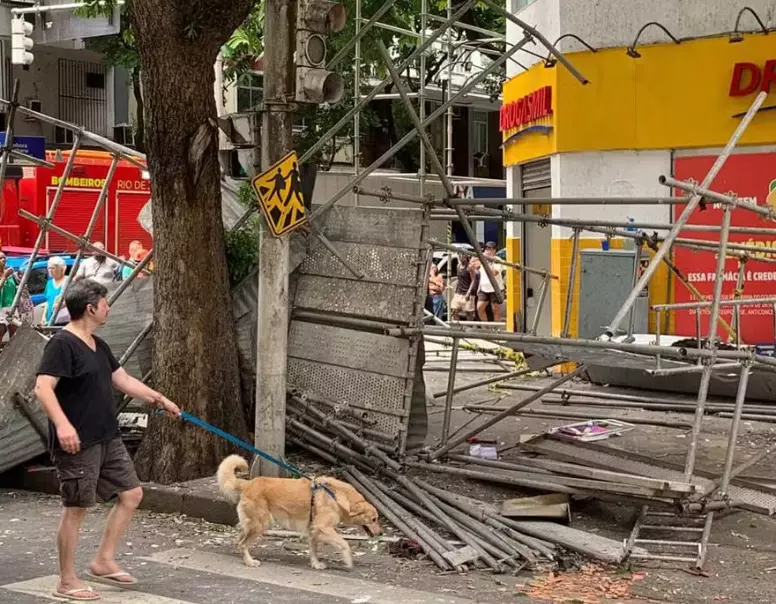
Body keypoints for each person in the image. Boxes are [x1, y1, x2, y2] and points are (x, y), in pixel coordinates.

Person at [35, 279, 181, 602]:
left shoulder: (98, 345)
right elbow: (43, 388)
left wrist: (160, 399)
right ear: (90, 308)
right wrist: (63, 426)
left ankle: (103, 560)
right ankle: (66, 580)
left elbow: (123, 380)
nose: (108, 307)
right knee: (76, 508)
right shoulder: (62, 344)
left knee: (131, 493)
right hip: (78, 442)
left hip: (107, 437)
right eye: (105, 302)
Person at [476, 242, 504, 323]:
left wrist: (487, 262)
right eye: (487, 249)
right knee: (479, 308)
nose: (489, 251)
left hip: (495, 288)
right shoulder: (482, 259)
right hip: (484, 288)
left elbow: (494, 272)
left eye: (491, 249)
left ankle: (496, 329)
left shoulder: (497, 260)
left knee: (496, 309)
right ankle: (487, 328)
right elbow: (474, 267)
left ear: (494, 250)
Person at [43, 256, 68, 326]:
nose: (50, 271)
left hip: (63, 320)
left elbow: (74, 301)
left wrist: (61, 305)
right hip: (49, 320)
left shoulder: (68, 281)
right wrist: (43, 317)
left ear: (61, 269)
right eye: (49, 268)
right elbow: (47, 302)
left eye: (53, 268)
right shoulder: (49, 283)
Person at [450, 255, 476, 321]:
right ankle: (457, 327)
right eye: (460, 256)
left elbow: (473, 280)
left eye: (463, 256)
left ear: (466, 257)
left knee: (468, 312)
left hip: (467, 292)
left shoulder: (469, 267)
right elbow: (459, 279)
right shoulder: (458, 266)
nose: (461, 257)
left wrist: (469, 292)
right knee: (454, 309)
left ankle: (469, 328)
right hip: (459, 292)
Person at [0, 250, 18, 341]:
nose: (3, 259)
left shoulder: (11, 274)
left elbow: (17, 288)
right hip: (0, 310)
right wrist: (4, 277)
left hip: (11, 308)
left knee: (14, 334)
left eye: (4, 258)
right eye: (1, 258)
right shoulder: (6, 275)